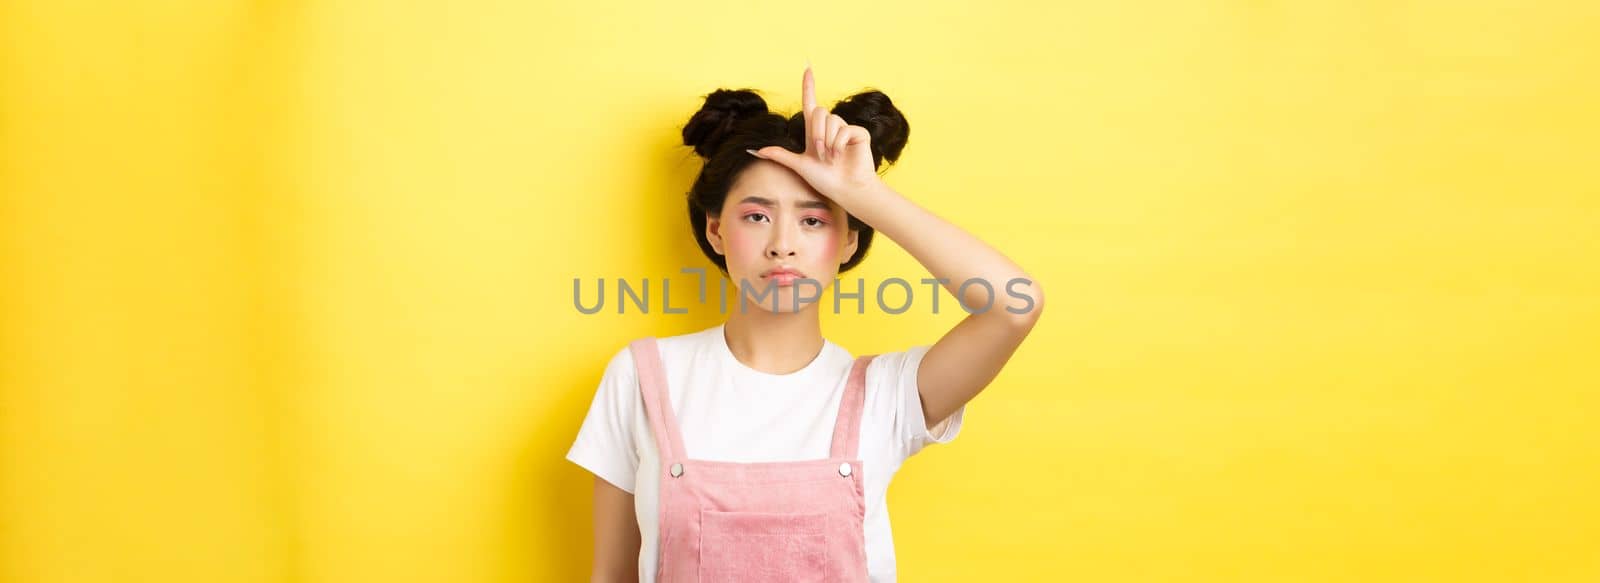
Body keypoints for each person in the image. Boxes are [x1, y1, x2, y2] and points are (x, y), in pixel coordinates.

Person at [566, 64, 1045, 582]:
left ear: (850, 241)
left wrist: (862, 192)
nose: (783, 243)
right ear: (716, 231)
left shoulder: (887, 395)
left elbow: (1014, 305)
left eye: (814, 219)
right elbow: (611, 575)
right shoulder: (642, 376)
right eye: (756, 216)